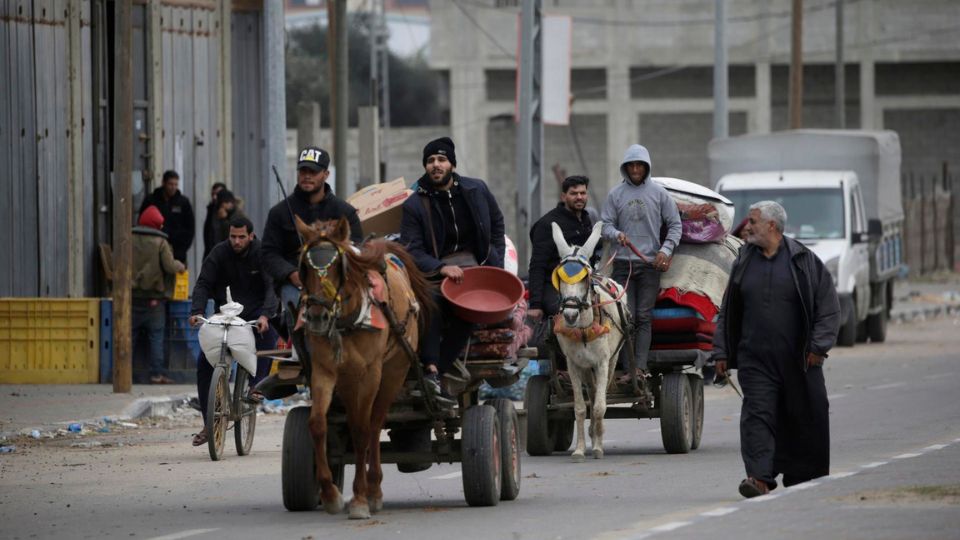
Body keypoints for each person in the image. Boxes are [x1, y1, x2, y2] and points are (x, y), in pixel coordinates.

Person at [712, 201, 840, 498]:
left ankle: (803, 475)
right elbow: (729, 307)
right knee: (757, 415)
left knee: (806, 414)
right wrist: (722, 352)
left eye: (754, 221)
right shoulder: (744, 260)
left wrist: (818, 347)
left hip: (799, 360)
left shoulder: (803, 260)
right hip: (755, 359)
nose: (747, 226)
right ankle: (759, 478)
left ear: (772, 226)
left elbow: (828, 308)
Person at [400, 136, 506, 390]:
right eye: (430, 161)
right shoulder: (415, 203)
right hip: (434, 274)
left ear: (452, 165)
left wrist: (495, 261)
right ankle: (431, 370)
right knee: (431, 304)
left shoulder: (476, 190)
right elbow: (411, 248)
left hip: (475, 270)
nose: (436, 165)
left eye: (441, 159)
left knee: (468, 310)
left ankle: (440, 368)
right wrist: (440, 268)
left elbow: (497, 224)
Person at [188, 216, 279, 447]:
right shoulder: (219, 253)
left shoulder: (262, 254)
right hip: (226, 314)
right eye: (232, 237)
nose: (236, 241)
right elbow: (203, 283)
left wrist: (266, 315)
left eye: (241, 237)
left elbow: (272, 287)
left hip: (256, 313)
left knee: (268, 336)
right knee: (205, 361)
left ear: (251, 235)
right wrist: (197, 310)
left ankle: (258, 387)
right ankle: (210, 424)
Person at [261, 146, 363, 332]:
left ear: (325, 174)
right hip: (294, 284)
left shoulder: (345, 212)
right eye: (303, 171)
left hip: (337, 283)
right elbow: (268, 253)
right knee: (299, 315)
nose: (307, 176)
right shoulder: (279, 213)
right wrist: (291, 274)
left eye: (313, 171)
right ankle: (301, 354)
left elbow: (358, 248)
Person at [600, 144, 682, 371]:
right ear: (625, 168)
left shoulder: (660, 194)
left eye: (639, 165)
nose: (635, 169)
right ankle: (627, 369)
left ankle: (640, 368)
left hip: (649, 266)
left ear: (646, 167)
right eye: (631, 165)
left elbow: (675, 225)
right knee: (626, 318)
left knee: (644, 317)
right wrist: (617, 234)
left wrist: (665, 250)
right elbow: (605, 225)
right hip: (622, 266)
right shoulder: (615, 194)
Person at [527, 175, 598, 321]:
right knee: (569, 312)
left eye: (582, 193)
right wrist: (535, 305)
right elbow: (537, 266)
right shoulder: (547, 224)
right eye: (574, 193)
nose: (579, 197)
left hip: (582, 284)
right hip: (554, 286)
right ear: (564, 196)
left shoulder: (585, 219)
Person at [132, 205, 186, 384]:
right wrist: (180, 266)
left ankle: (125, 372)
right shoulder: (160, 242)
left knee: (129, 336)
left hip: (131, 297)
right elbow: (170, 266)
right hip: (154, 299)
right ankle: (157, 374)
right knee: (156, 336)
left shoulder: (129, 238)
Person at [139, 170, 195, 264]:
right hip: (154, 252)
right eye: (170, 184)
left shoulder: (183, 203)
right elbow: (142, 222)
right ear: (163, 183)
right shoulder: (151, 200)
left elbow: (190, 229)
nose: (173, 187)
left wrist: (182, 249)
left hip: (177, 254)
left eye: (175, 184)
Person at [202, 182, 227, 260]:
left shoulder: (231, 212)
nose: (215, 197)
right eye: (213, 194)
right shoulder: (211, 209)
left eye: (218, 194)